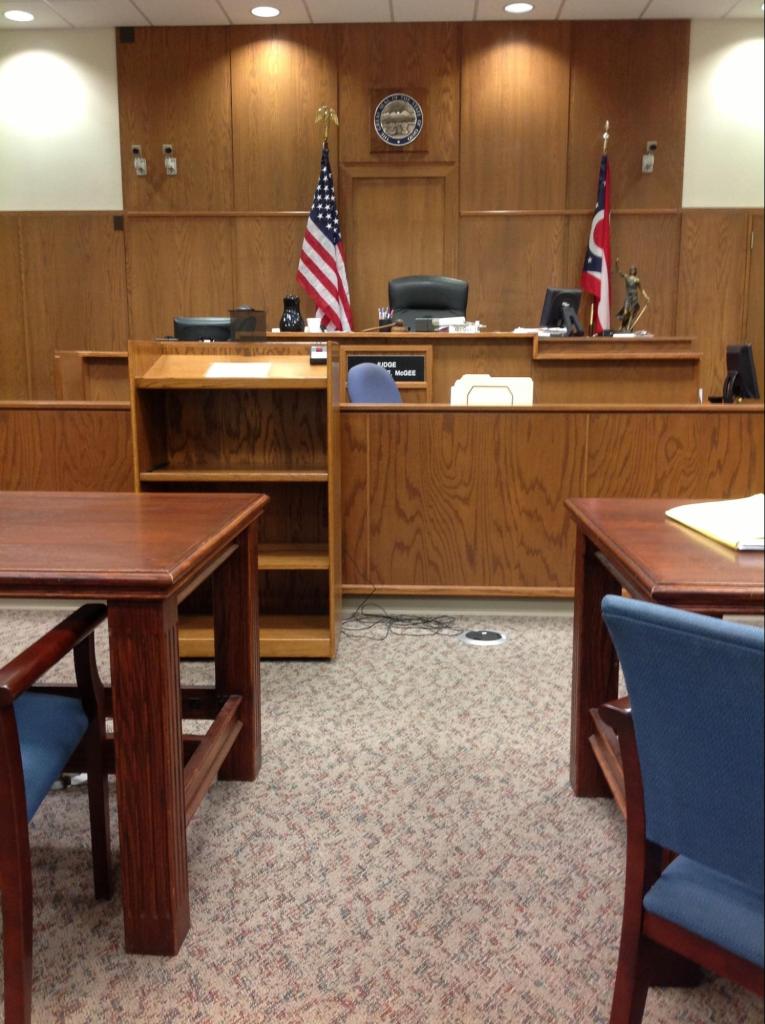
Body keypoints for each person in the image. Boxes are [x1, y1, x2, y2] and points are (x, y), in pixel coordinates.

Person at [615, 258, 650, 331]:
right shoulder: (627, 277)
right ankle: (622, 325)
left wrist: (646, 297)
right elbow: (619, 272)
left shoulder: (637, 279)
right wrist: (617, 263)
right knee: (625, 312)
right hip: (628, 297)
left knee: (631, 313)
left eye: (634, 269)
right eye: (631, 269)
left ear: (635, 271)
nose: (632, 270)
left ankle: (628, 328)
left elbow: (641, 289)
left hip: (634, 297)